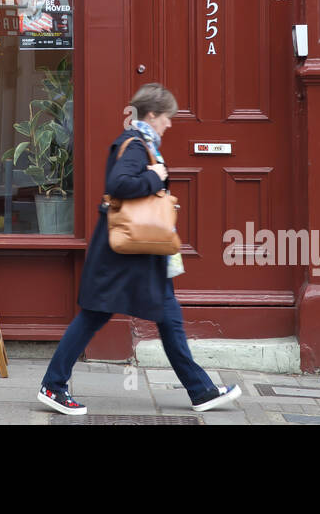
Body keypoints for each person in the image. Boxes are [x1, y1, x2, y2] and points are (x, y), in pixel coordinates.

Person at [37, 83, 242, 415]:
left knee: (168, 318)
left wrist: (154, 174)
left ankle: (201, 390)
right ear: (151, 115)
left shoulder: (141, 143)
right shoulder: (134, 145)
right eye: (167, 117)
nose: (170, 124)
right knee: (94, 316)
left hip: (138, 255)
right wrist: (156, 175)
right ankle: (53, 385)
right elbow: (118, 184)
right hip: (123, 255)